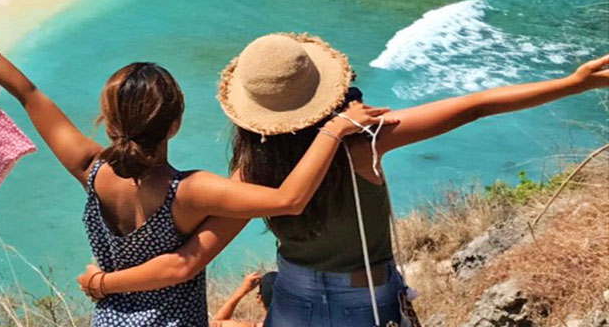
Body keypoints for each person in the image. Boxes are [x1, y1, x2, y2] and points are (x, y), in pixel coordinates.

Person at [0, 0, 388, 327]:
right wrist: (333, 130)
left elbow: (27, 93)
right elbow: (289, 200)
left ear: (107, 119)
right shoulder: (192, 191)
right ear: (176, 124)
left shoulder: (90, 170)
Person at [78, 34, 609, 326]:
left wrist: (104, 283)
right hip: (364, 302)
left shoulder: (250, 172)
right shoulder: (361, 140)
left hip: (290, 299)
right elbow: (473, 108)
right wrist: (572, 82)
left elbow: (189, 259)